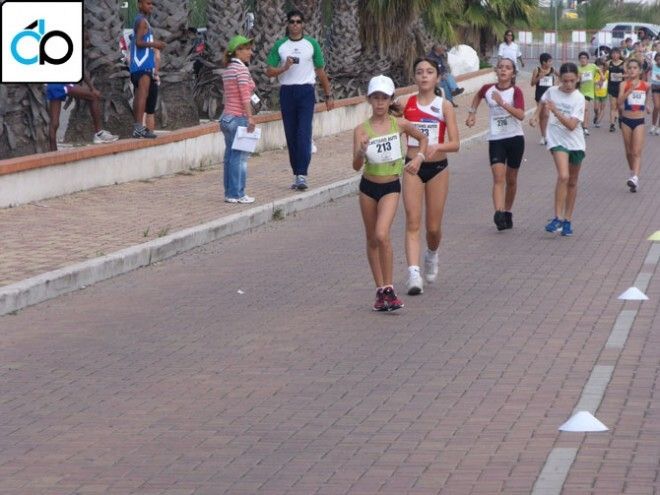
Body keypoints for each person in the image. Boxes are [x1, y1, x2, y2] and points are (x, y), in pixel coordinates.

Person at [352, 75, 428, 312]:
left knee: (382, 233)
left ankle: (390, 287)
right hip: (368, 187)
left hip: (390, 187)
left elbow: (423, 139)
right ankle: (380, 290)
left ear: (391, 100)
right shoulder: (361, 130)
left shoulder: (400, 124)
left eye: (384, 98)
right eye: (375, 97)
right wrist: (361, 151)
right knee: (372, 238)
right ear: (369, 100)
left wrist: (419, 158)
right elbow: (355, 166)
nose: (380, 102)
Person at [402, 58, 459, 295]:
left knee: (433, 228)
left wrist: (438, 147)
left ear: (438, 77)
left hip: (437, 169)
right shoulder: (405, 103)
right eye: (419, 72)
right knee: (412, 221)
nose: (424, 76)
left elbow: (455, 143)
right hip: (412, 168)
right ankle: (413, 273)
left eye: (429, 72)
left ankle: (432, 254)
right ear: (414, 77)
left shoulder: (444, 106)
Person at [266, 9, 334, 191]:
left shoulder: (311, 44)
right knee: (291, 134)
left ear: (303, 24)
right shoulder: (280, 45)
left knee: (303, 132)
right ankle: (296, 173)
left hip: (306, 92)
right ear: (287, 24)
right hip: (287, 92)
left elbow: (320, 71)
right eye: (292, 21)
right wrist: (284, 68)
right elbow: (269, 71)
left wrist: (328, 95)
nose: (295, 25)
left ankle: (302, 174)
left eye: (298, 21)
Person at [466, 58, 526, 231]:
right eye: (500, 67)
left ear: (513, 73)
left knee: (511, 179)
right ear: (496, 71)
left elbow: (521, 115)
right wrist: (472, 114)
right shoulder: (487, 89)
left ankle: (507, 211)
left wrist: (502, 103)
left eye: (507, 68)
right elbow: (478, 96)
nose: (503, 70)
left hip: (515, 138)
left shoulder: (516, 91)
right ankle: (499, 214)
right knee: (498, 178)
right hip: (496, 139)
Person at [530, 62, 586, 238]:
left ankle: (568, 219)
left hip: (575, 142)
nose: (568, 85)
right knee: (563, 176)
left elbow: (571, 125)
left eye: (572, 81)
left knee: (572, 181)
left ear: (577, 79)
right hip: (557, 140)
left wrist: (555, 111)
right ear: (559, 78)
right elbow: (543, 101)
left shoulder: (579, 98)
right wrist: (535, 115)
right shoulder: (552, 91)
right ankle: (557, 218)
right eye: (565, 81)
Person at [220, 35, 257, 204]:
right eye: (247, 49)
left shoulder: (228, 69)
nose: (250, 52)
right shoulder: (241, 70)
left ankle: (229, 193)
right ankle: (238, 193)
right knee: (240, 158)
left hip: (226, 118)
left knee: (230, 156)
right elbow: (245, 97)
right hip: (238, 118)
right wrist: (250, 117)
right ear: (237, 51)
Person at [46, 79, 118, 152]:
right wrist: (92, 88)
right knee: (93, 96)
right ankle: (99, 133)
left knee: (54, 122)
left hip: (55, 85)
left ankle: (53, 151)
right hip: (60, 85)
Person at [130, 0, 165, 139]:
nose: (151, 6)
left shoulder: (142, 21)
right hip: (142, 64)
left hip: (139, 65)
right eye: (148, 3)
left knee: (140, 95)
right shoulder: (141, 21)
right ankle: (138, 128)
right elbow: (138, 42)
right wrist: (155, 44)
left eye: (152, 4)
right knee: (142, 95)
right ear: (140, 4)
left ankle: (137, 127)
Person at [618, 59, 651, 192]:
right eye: (630, 68)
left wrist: (647, 105)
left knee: (636, 151)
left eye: (635, 68)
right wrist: (629, 91)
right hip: (626, 120)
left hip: (639, 121)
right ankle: (633, 174)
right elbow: (619, 102)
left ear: (640, 70)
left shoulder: (646, 85)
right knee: (629, 152)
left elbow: (647, 96)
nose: (632, 70)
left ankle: (635, 178)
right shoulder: (623, 84)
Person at [530, 53, 556, 145]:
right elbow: (532, 83)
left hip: (550, 95)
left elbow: (561, 76)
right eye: (549, 61)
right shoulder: (537, 70)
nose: (551, 63)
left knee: (546, 115)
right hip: (540, 95)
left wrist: (557, 84)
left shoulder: (552, 69)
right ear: (544, 62)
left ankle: (547, 135)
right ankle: (543, 136)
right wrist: (539, 77)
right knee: (542, 116)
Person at [577, 51, 598, 135]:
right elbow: (575, 80)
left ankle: (585, 127)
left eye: (584, 58)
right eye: (581, 58)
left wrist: (602, 78)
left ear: (587, 59)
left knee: (585, 108)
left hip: (588, 92)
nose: (583, 60)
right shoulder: (577, 69)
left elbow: (600, 70)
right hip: (579, 91)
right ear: (579, 60)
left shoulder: (592, 66)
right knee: (581, 109)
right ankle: (580, 124)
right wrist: (579, 79)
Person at [607, 47, 625, 132]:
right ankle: (612, 125)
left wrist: (620, 76)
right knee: (613, 106)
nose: (615, 55)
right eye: (613, 53)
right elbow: (604, 72)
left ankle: (620, 118)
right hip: (611, 86)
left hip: (621, 87)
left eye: (617, 53)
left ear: (619, 54)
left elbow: (628, 74)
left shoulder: (623, 63)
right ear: (611, 54)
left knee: (620, 107)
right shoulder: (608, 63)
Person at [593, 58, 609, 128]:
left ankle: (598, 122)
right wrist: (597, 82)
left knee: (602, 108)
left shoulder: (607, 72)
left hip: (604, 93)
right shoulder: (594, 72)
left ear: (603, 65)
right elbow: (593, 81)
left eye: (601, 65)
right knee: (596, 108)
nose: (599, 67)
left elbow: (605, 79)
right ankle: (596, 115)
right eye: (598, 65)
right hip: (596, 92)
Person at [651, 51, 660, 135]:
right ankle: (653, 125)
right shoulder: (652, 66)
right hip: (655, 88)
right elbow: (644, 72)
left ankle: (659, 128)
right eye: (657, 59)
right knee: (657, 106)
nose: (659, 61)